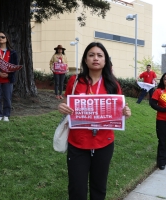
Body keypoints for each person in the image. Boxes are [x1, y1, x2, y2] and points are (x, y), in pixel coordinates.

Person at [57, 42, 131, 200]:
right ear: (85, 60)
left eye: (99, 55)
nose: (95, 58)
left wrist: (125, 112)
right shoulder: (75, 81)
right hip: (78, 142)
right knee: (77, 189)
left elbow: (119, 110)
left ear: (105, 60)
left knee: (99, 188)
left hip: (104, 143)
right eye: (91, 55)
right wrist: (62, 107)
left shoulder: (113, 84)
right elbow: (66, 102)